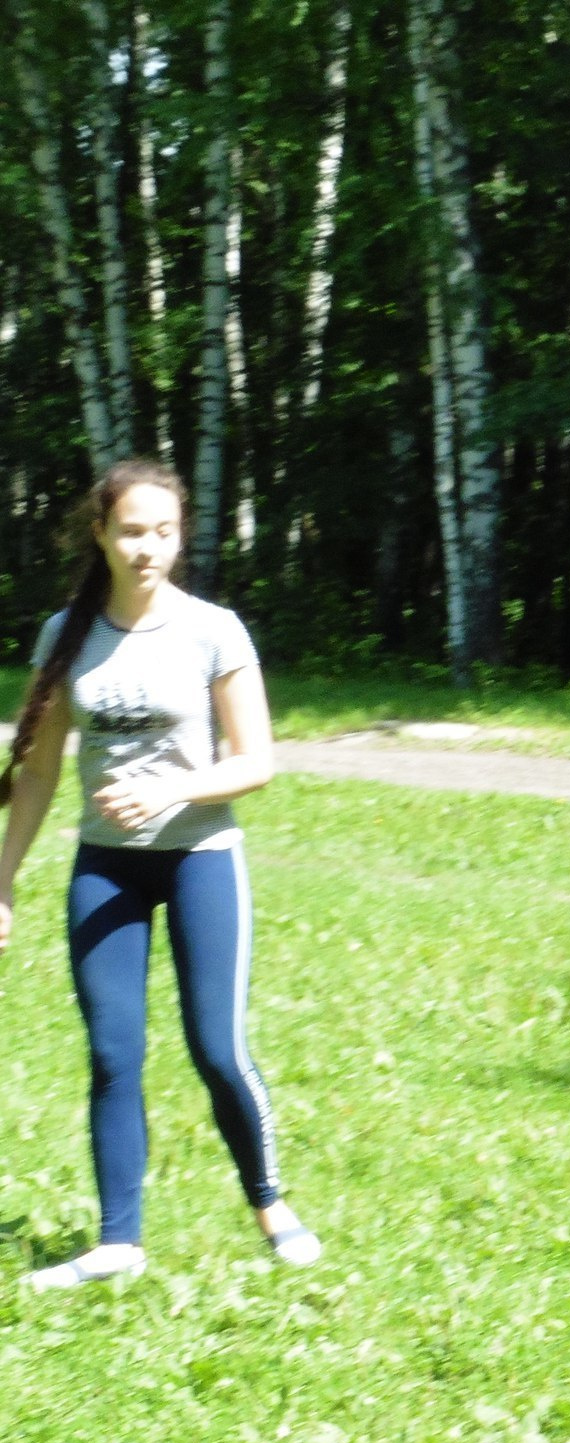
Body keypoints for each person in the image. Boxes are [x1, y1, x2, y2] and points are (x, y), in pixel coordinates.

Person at [0, 460, 321, 1289]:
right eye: (132, 531)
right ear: (101, 535)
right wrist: (1, 883)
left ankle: (269, 1203)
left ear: (180, 537)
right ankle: (118, 1244)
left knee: (215, 1048)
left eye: (164, 532)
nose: (149, 548)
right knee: (112, 1053)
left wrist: (174, 787)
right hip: (105, 869)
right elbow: (35, 773)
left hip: (201, 860)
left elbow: (256, 762)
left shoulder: (214, 630)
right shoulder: (64, 636)